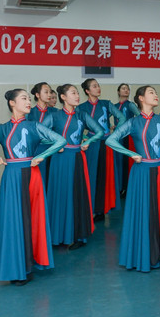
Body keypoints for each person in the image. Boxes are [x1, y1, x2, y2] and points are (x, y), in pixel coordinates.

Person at [0, 89, 66, 285]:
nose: (28, 101)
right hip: (12, 176)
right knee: (13, 220)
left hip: (32, 176)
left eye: (29, 98)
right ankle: (16, 267)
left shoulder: (34, 126)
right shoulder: (2, 129)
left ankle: (29, 264)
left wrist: (41, 156)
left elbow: (61, 140)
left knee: (32, 219)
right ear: (12, 103)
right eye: (24, 98)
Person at [106, 85, 160, 272]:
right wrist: (131, 154)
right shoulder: (133, 122)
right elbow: (110, 140)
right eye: (151, 92)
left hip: (159, 171)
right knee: (143, 213)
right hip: (141, 173)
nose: (155, 95)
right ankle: (142, 255)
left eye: (155, 92)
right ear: (141, 98)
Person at [47, 84, 104, 249]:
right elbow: (39, 133)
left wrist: (88, 141)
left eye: (77, 93)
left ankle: (78, 235)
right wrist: (55, 144)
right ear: (63, 97)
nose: (77, 96)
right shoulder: (54, 116)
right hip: (59, 160)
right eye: (73, 93)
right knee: (59, 194)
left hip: (77, 159)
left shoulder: (82, 115)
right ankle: (57, 235)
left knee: (76, 195)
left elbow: (100, 131)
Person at [77, 78, 126, 221]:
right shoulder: (81, 107)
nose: (98, 88)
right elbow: (77, 125)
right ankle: (89, 208)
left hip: (106, 143)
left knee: (105, 176)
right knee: (91, 175)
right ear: (87, 91)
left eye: (98, 85)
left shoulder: (106, 103)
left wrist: (114, 132)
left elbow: (122, 118)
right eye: (94, 86)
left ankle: (101, 210)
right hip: (91, 144)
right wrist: (84, 136)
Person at [113, 83, 140, 197]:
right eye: (123, 88)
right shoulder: (114, 106)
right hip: (117, 137)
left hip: (127, 137)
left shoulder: (130, 105)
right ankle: (118, 187)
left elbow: (139, 116)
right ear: (118, 91)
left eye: (128, 89)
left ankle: (126, 187)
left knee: (126, 162)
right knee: (117, 162)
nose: (126, 90)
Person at [27, 82, 56, 182]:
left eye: (50, 92)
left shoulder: (55, 112)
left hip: (53, 149)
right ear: (37, 95)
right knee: (37, 179)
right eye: (46, 92)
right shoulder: (29, 113)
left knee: (51, 178)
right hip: (35, 150)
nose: (49, 95)